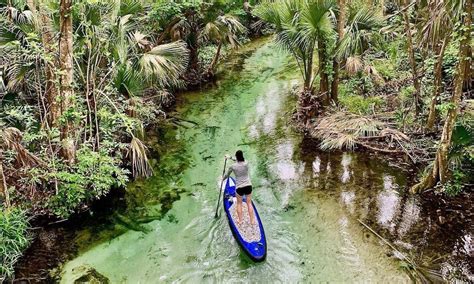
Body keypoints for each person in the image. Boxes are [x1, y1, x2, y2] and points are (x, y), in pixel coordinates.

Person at [224, 150, 255, 226]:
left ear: (236, 157)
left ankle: (240, 221)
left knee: (239, 204)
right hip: (248, 186)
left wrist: (222, 179)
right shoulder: (246, 163)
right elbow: (238, 160)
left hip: (239, 188)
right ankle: (252, 221)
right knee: (249, 203)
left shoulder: (233, 166)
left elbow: (227, 175)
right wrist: (230, 157)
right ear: (242, 156)